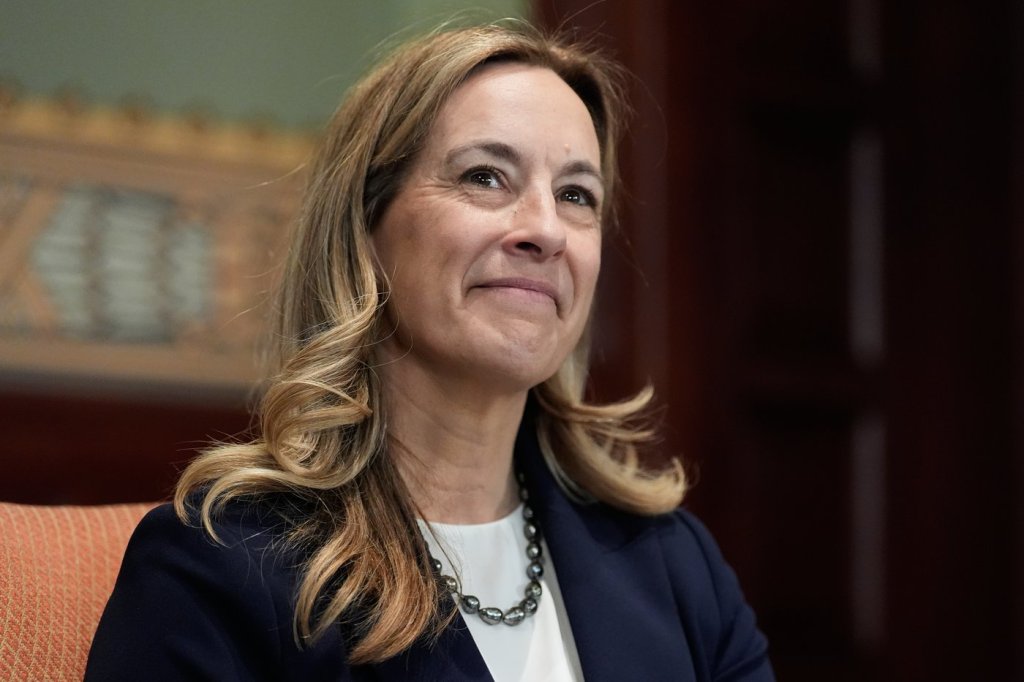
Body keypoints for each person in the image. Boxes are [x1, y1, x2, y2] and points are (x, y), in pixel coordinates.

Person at [86, 21, 774, 682]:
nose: (545, 230)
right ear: (365, 229)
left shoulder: (676, 567)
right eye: (485, 177)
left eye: (576, 195)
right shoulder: (223, 568)